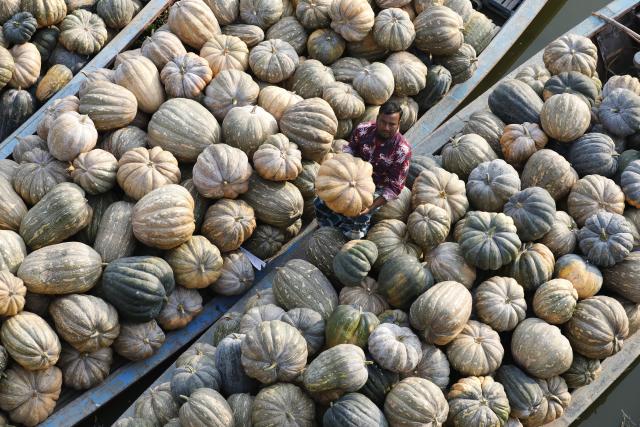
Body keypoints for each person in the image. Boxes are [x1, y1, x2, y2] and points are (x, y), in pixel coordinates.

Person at [314, 100, 412, 239]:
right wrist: (340, 168)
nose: (386, 127)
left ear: (399, 124)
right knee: (321, 202)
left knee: (357, 219)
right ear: (377, 118)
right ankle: (326, 229)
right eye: (383, 122)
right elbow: (350, 148)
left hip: (376, 187)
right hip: (351, 176)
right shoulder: (363, 129)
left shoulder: (402, 150)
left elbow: (394, 188)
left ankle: (348, 238)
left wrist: (370, 208)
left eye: (392, 124)